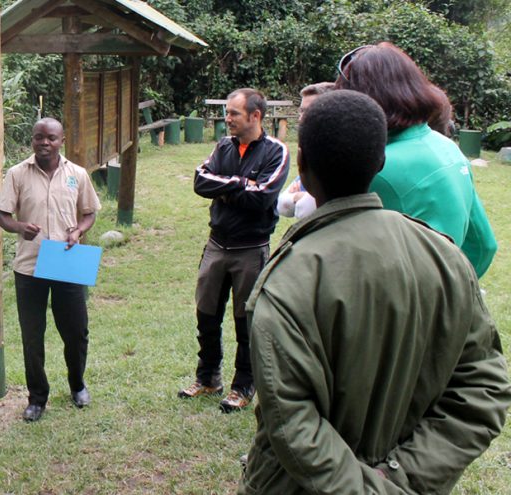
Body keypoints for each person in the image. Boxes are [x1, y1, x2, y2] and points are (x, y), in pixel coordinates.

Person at [240, 89, 511, 494]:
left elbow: (291, 421)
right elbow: (484, 385)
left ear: (302, 165)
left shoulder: (287, 280)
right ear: (380, 161)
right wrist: (402, 476)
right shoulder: (445, 258)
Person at [335, 42, 497, 277]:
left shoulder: (377, 168)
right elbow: (484, 246)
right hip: (439, 301)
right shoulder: (450, 148)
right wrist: (453, 294)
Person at [180, 88, 289, 413]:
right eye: (227, 113)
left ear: (255, 116)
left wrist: (225, 185)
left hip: (251, 249)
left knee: (246, 321)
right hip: (217, 244)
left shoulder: (276, 152)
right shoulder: (223, 146)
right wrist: (241, 183)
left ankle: (243, 386)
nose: (227, 119)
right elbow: (200, 181)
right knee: (207, 313)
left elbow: (263, 198)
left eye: (233, 114)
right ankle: (208, 377)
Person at [0, 117, 101, 422]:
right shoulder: (17, 174)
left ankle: (77, 384)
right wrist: (18, 226)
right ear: (32, 141)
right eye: (39, 137)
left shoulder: (77, 174)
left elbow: (89, 212)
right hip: (29, 267)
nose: (45, 143)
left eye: (51, 138)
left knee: (76, 331)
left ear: (62, 140)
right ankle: (36, 397)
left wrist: (79, 230)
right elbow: (3, 216)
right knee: (32, 335)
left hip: (67, 261)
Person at [277, 82, 334, 219]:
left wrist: (298, 198)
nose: (301, 118)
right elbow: (282, 204)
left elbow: (304, 211)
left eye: (309, 111)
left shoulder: (338, 153)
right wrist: (299, 197)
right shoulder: (313, 150)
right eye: (301, 111)